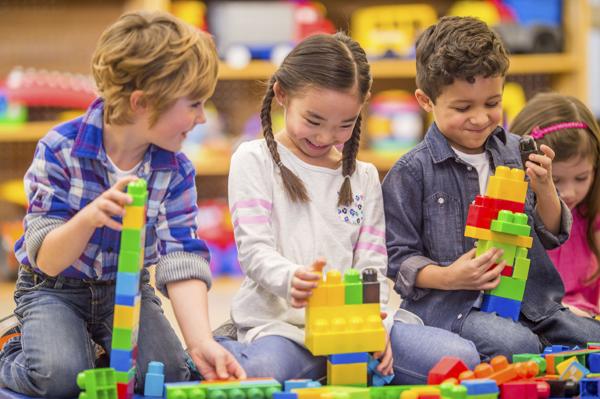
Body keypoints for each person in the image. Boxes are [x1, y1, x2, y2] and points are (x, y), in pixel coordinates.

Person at [0, 11, 244, 397]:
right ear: (143, 103)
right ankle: (14, 344)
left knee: (171, 375)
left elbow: (181, 256)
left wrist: (200, 342)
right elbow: (46, 259)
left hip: (126, 290)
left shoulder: (175, 168)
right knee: (60, 378)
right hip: (53, 288)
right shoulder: (60, 148)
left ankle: (94, 355)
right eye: (195, 105)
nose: (201, 118)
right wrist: (87, 219)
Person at [215, 32, 480, 385]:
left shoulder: (364, 176)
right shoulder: (253, 159)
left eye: (345, 124)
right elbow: (254, 250)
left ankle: (327, 371)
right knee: (262, 372)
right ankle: (231, 346)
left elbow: (372, 264)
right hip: (284, 329)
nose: (326, 137)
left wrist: (376, 328)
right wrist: (292, 279)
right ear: (282, 94)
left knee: (461, 358)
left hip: (354, 328)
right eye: (313, 121)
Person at [382, 16, 600, 361]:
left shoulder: (518, 151)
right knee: (516, 345)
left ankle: (546, 354)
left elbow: (552, 234)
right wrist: (450, 276)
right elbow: (398, 260)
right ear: (426, 101)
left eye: (492, 103)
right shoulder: (411, 171)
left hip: (532, 304)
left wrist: (545, 187)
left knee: (593, 336)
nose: (481, 118)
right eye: (463, 107)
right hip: (454, 307)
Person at [511, 93, 600, 317]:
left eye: (581, 178)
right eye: (555, 180)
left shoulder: (593, 216)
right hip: (538, 319)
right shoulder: (516, 218)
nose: (569, 193)